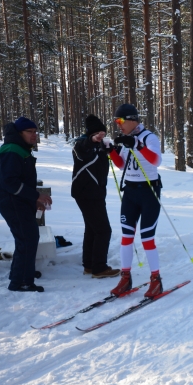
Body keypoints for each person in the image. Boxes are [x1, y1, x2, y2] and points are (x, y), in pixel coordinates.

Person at [107, 103, 164, 298]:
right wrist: (111, 151)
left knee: (147, 238)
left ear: (132, 120)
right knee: (126, 237)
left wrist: (138, 146)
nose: (118, 125)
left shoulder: (149, 138)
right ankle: (125, 277)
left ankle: (156, 280)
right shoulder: (127, 140)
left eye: (121, 121)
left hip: (149, 192)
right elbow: (122, 165)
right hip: (130, 193)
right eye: (116, 121)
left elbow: (156, 160)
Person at [0, 117, 52, 292]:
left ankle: (23, 272)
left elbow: (22, 181)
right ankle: (20, 282)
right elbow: (9, 182)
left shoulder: (20, 149)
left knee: (28, 237)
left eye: (35, 132)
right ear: (19, 133)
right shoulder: (12, 150)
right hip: (11, 201)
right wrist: (36, 196)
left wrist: (33, 200)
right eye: (29, 132)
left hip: (19, 200)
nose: (34, 135)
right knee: (27, 239)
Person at [72, 115, 119, 278]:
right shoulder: (81, 145)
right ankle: (99, 267)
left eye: (103, 132)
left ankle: (90, 265)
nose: (101, 135)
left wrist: (114, 148)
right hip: (86, 193)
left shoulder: (99, 146)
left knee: (92, 229)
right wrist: (92, 140)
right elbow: (85, 151)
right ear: (90, 134)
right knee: (103, 230)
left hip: (95, 193)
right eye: (97, 133)